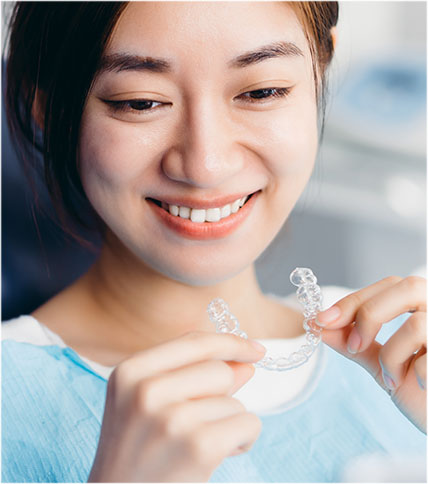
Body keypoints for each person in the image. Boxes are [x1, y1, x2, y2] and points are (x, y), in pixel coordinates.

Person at [2, 2, 426, 482]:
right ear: (45, 106)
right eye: (140, 101)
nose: (206, 165)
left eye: (263, 91)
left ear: (319, 72)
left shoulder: (400, 352)